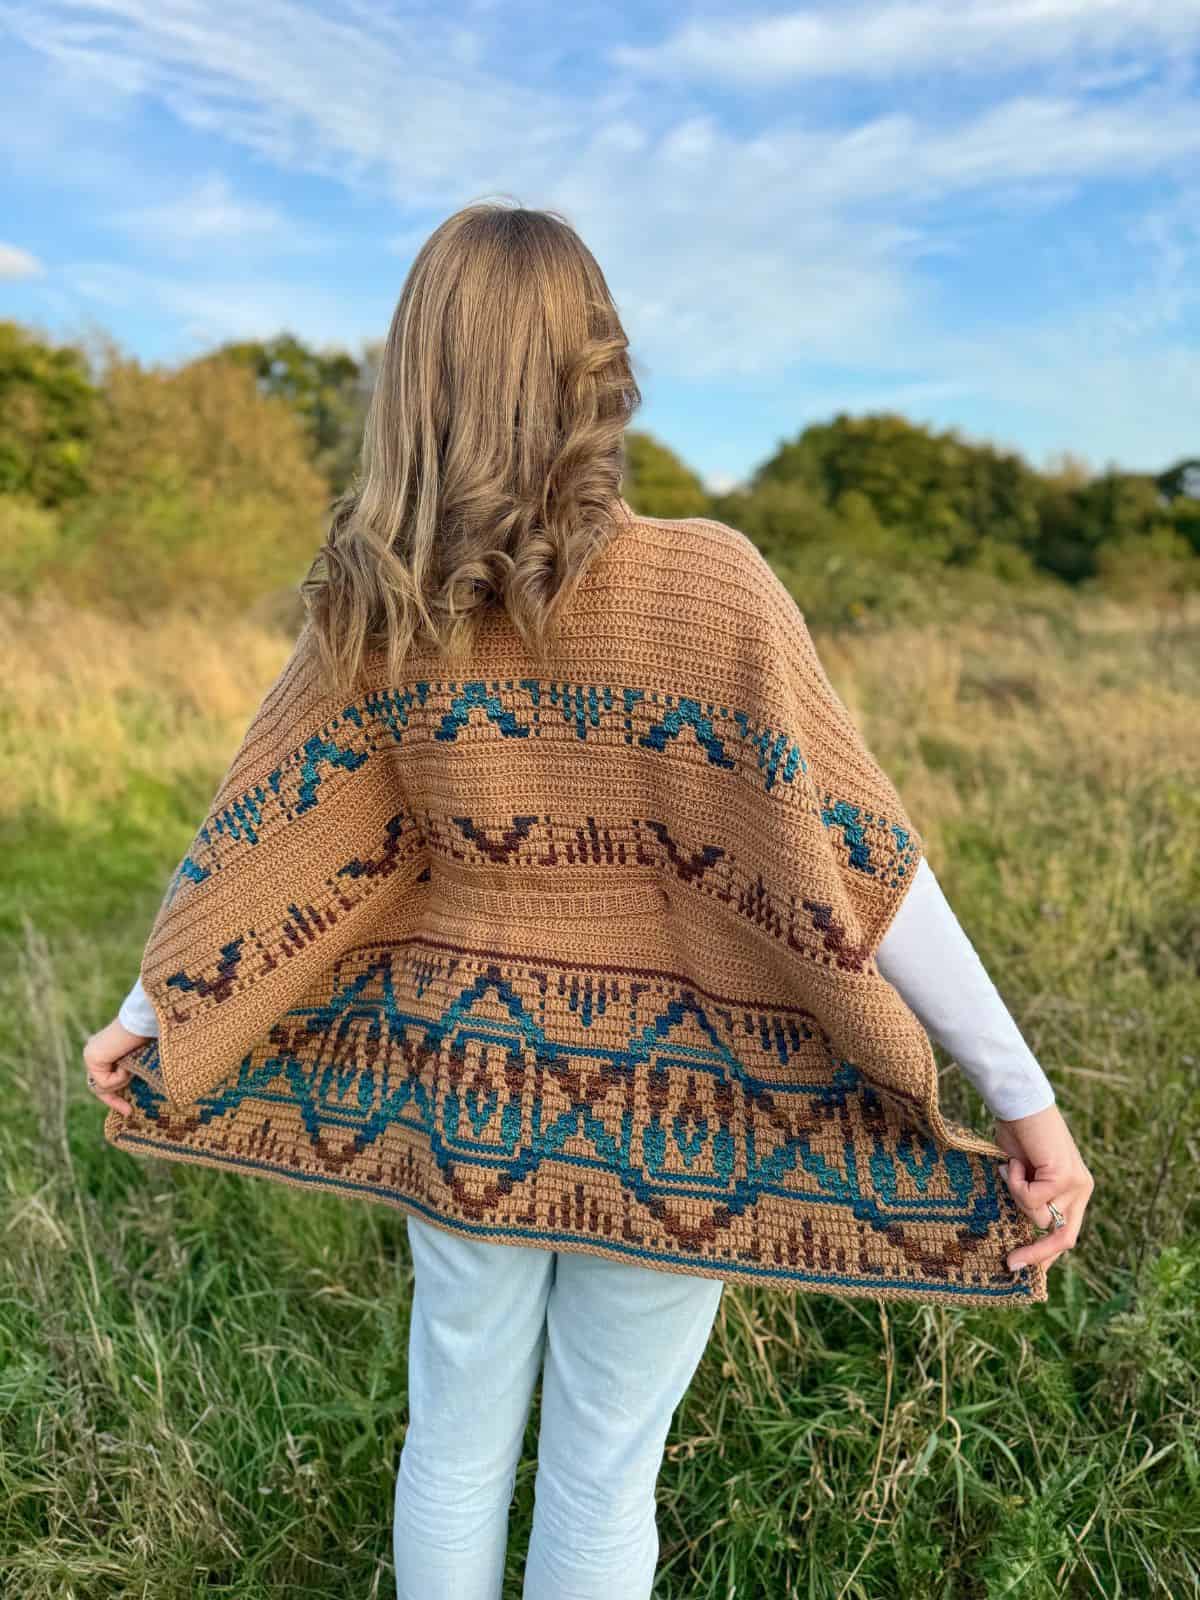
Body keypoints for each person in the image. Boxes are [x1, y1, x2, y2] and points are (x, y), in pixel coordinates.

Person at [82, 202, 1094, 1600]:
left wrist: (153, 1010)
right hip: (673, 1115)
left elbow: (262, 838)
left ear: (417, 373)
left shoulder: (377, 604)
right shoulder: (710, 585)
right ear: (598, 373)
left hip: (466, 1103)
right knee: (606, 1464)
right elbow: (867, 855)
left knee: (449, 1444)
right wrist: (1023, 1099)